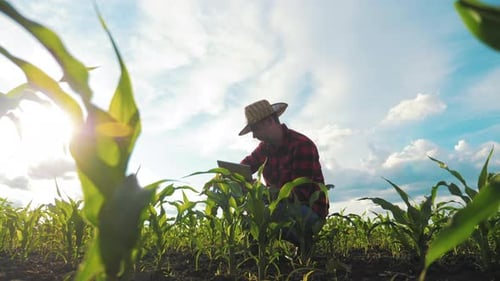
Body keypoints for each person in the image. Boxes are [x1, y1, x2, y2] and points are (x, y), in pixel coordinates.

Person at [239, 99, 329, 256]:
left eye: (255, 129)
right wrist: (235, 179)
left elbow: (298, 195)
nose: (253, 135)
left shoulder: (301, 145)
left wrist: (261, 191)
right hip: (280, 206)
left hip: (309, 212)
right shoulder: (265, 148)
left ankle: (305, 241)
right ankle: (254, 254)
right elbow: (243, 167)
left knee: (268, 210)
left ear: (269, 121)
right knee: (251, 208)